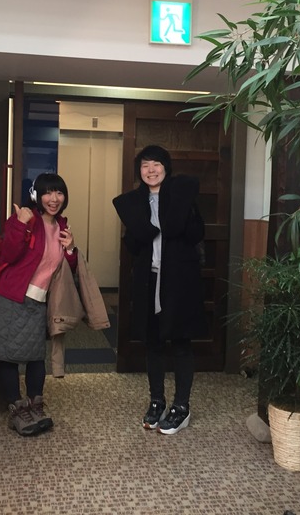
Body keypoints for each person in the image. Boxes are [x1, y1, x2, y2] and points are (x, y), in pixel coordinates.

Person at [0, 172, 77, 436]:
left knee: (35, 356)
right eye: (48, 192)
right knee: (8, 356)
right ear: (37, 196)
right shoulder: (26, 219)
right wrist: (19, 224)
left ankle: (35, 406)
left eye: (59, 192)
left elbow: (63, 270)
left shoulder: (62, 226)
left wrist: (71, 250)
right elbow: (9, 254)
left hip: (38, 302)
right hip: (11, 298)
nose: (54, 198)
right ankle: (17, 410)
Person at [112, 145, 206, 435]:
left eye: (156, 164)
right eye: (145, 165)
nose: (150, 170)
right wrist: (138, 230)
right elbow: (132, 244)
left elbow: (196, 234)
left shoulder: (181, 196)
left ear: (166, 167)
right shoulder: (135, 202)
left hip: (179, 280)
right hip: (149, 279)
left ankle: (181, 406)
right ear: (139, 171)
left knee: (180, 342)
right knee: (152, 343)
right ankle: (157, 401)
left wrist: (185, 214)